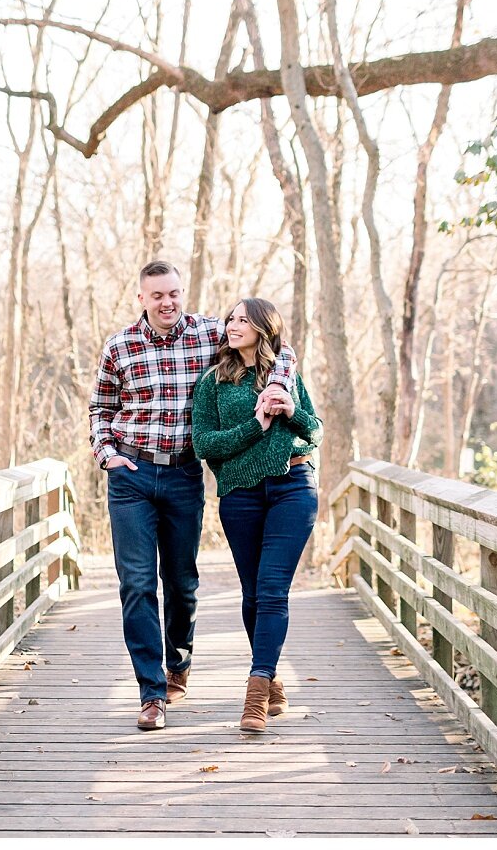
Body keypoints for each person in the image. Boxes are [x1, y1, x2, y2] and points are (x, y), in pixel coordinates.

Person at [89, 261, 295, 731]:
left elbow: (276, 348)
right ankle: (151, 692)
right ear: (141, 298)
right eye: (157, 295)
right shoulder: (120, 346)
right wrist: (106, 453)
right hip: (131, 473)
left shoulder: (209, 334)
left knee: (181, 582)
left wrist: (280, 384)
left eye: (174, 293)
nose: (167, 302)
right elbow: (101, 406)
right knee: (138, 583)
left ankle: (178, 662)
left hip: (184, 474)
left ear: (183, 294)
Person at [191, 298, 321, 734]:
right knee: (252, 593)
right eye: (231, 318)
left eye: (243, 319)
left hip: (293, 487)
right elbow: (205, 444)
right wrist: (257, 426)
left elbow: (315, 430)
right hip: (240, 495)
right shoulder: (213, 382)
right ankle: (272, 678)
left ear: (265, 328)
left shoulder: (285, 374)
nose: (233, 325)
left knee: (271, 589)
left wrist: (289, 410)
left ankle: (256, 691)